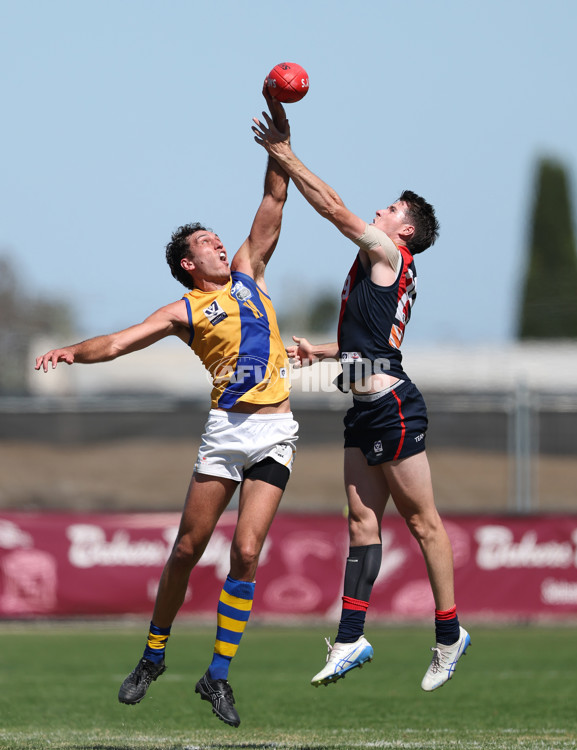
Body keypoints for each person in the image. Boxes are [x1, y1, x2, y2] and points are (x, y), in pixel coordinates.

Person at [35, 88, 296, 728]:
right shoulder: (183, 310)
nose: (218, 244)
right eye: (206, 242)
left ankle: (218, 676)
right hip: (228, 431)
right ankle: (154, 655)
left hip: (278, 428)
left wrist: (281, 142)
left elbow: (274, 199)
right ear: (188, 262)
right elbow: (119, 342)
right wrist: (73, 351)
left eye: (215, 239)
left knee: (247, 553)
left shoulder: (249, 273)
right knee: (187, 548)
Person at [252, 111, 470, 692]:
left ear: (403, 233)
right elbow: (368, 340)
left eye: (392, 209)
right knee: (361, 523)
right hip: (363, 406)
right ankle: (351, 638)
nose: (381, 210)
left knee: (423, 524)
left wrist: (286, 155)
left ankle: (449, 635)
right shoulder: (378, 263)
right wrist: (320, 352)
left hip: (394, 403)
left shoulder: (390, 255)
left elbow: (331, 206)